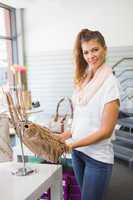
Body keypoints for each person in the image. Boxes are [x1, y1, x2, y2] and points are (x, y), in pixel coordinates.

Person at [59, 29, 120, 200]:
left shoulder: (110, 83)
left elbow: (106, 131)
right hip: (78, 153)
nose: (90, 56)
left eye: (95, 49)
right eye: (86, 52)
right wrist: (63, 136)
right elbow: (81, 120)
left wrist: (73, 144)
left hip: (97, 158)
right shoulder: (85, 80)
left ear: (104, 49)